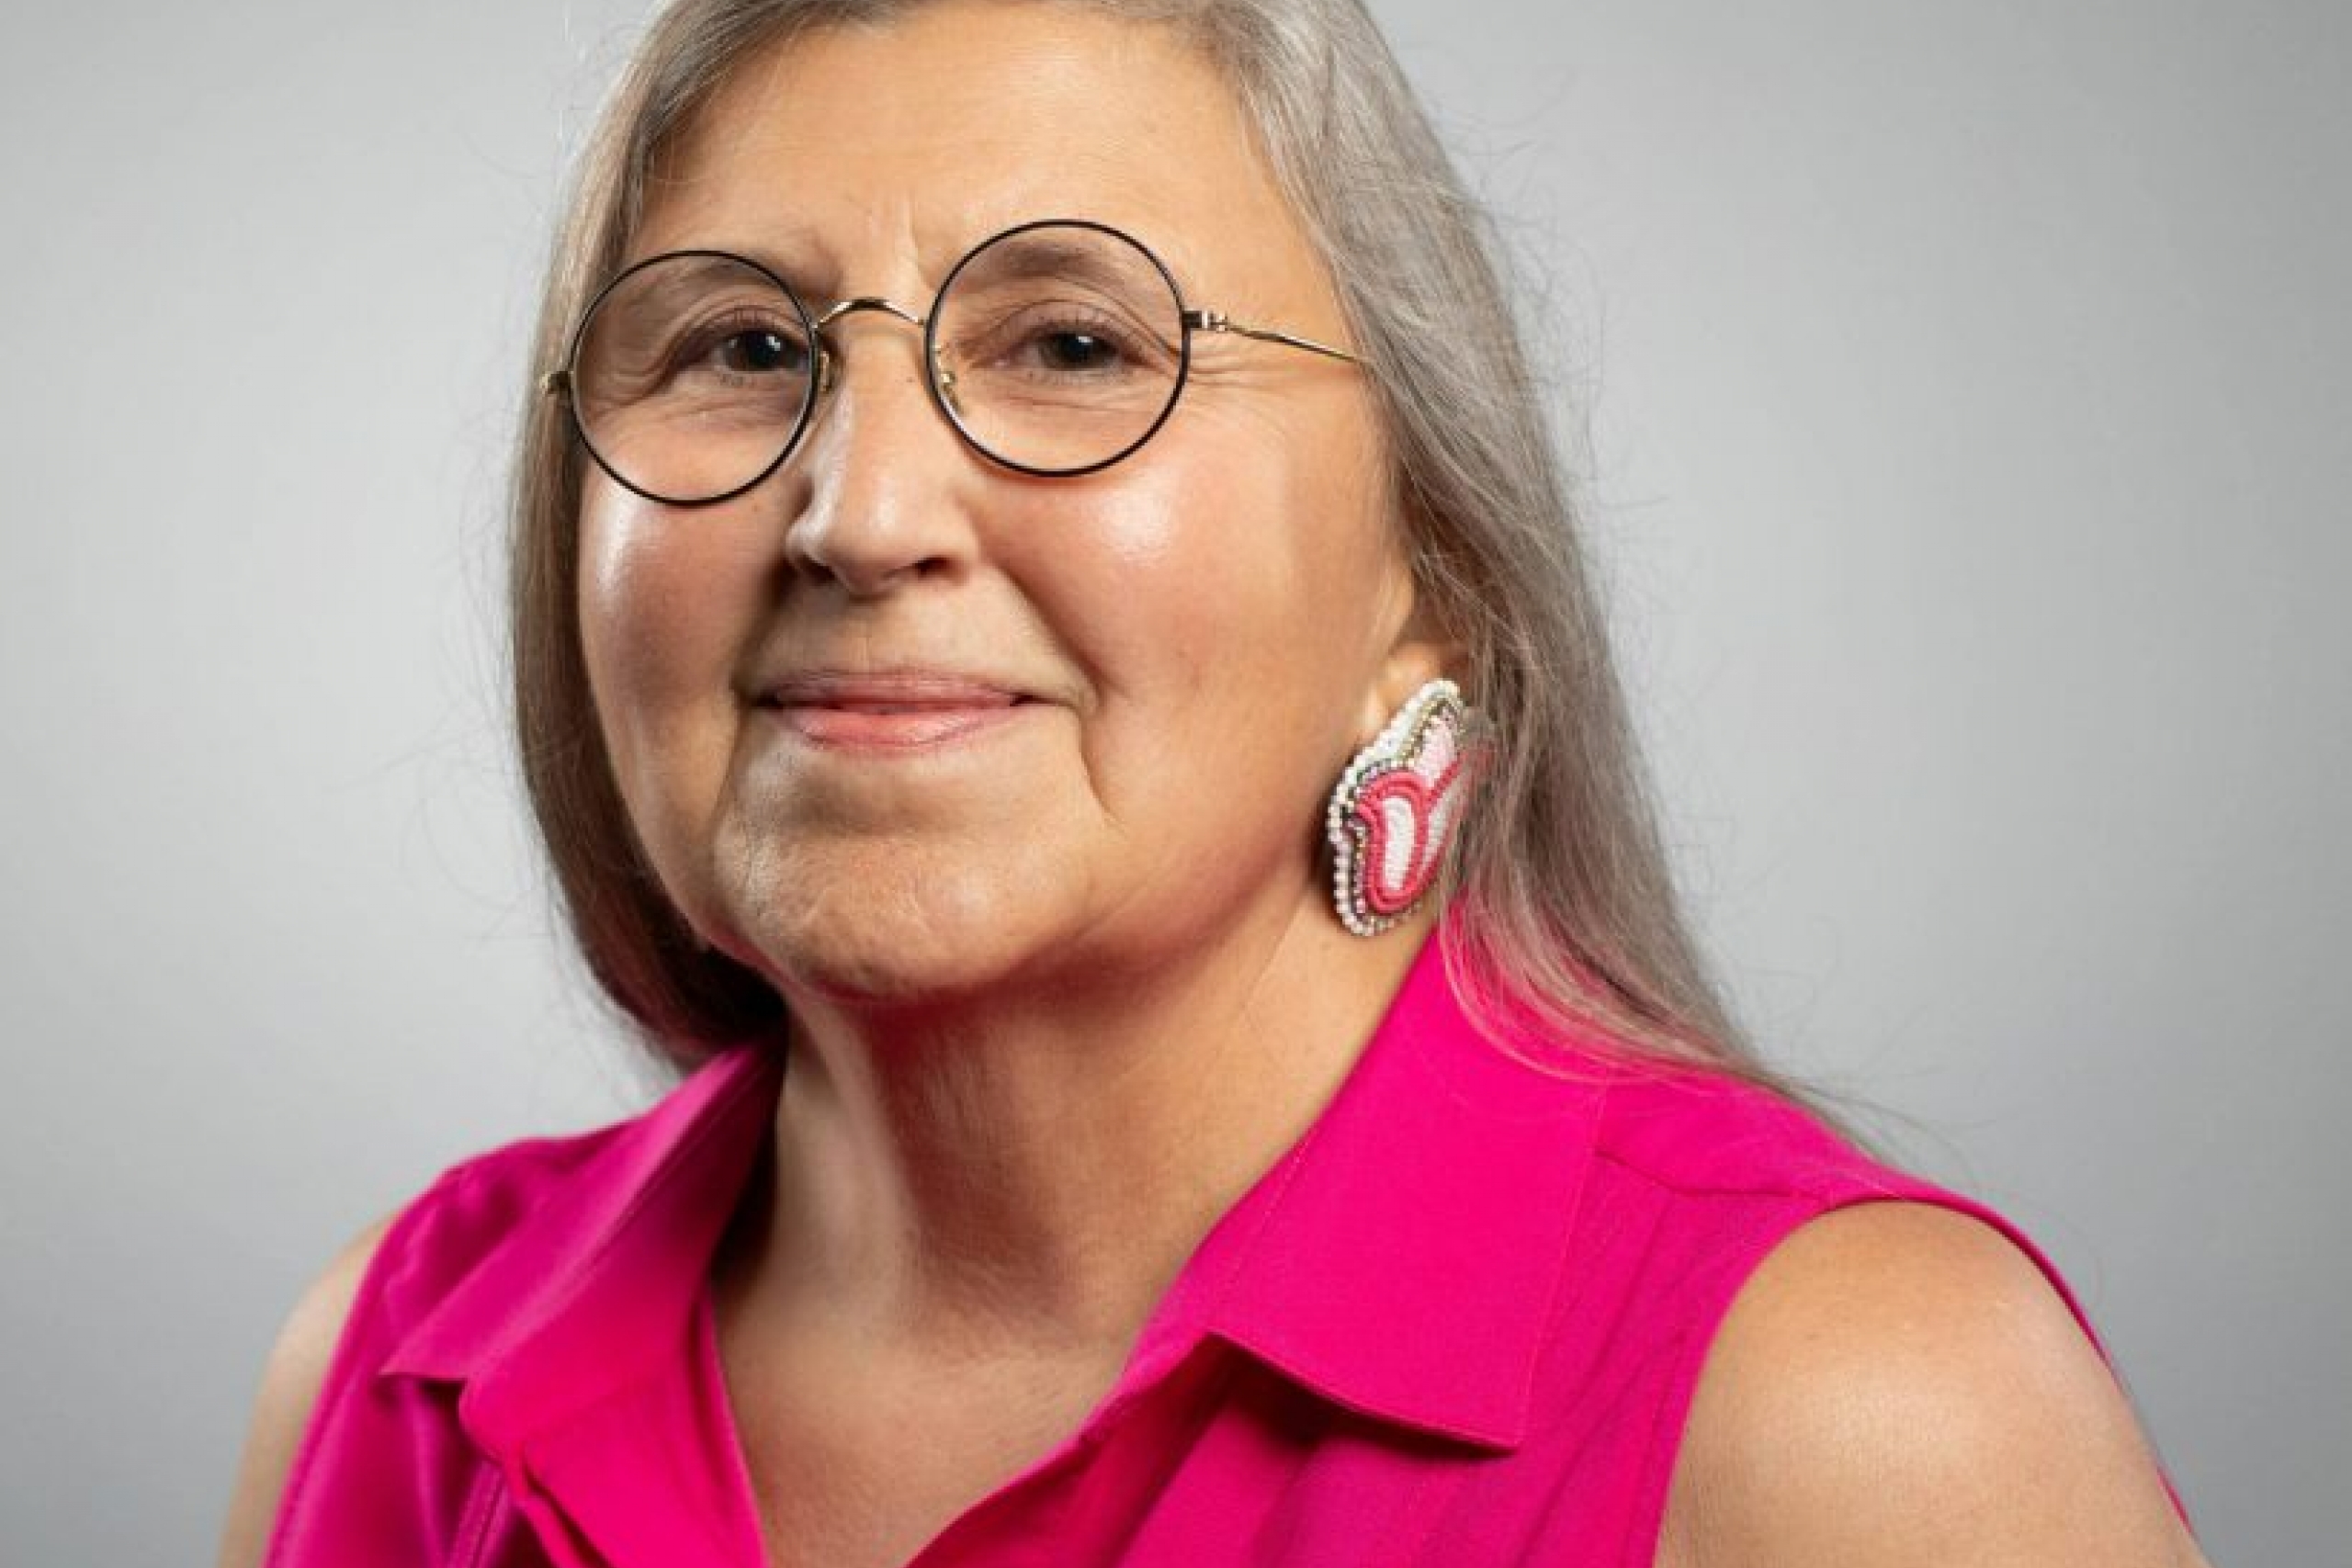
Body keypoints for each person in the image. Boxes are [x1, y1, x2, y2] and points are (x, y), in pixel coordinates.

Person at [218, 2, 2210, 1564]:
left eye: (1075, 341)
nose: (859, 508)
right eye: (740, 346)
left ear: (1417, 567)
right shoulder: (380, 1370)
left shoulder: (1836, 1407)